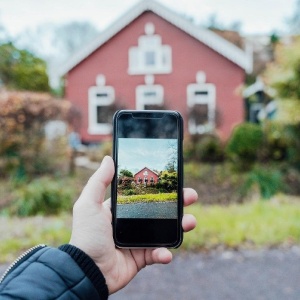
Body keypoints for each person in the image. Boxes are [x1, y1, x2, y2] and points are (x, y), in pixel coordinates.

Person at [0, 156, 197, 299]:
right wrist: (87, 264)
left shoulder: (152, 179)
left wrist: (84, 265)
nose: (145, 178)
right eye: (144, 178)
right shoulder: (137, 179)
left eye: (147, 178)